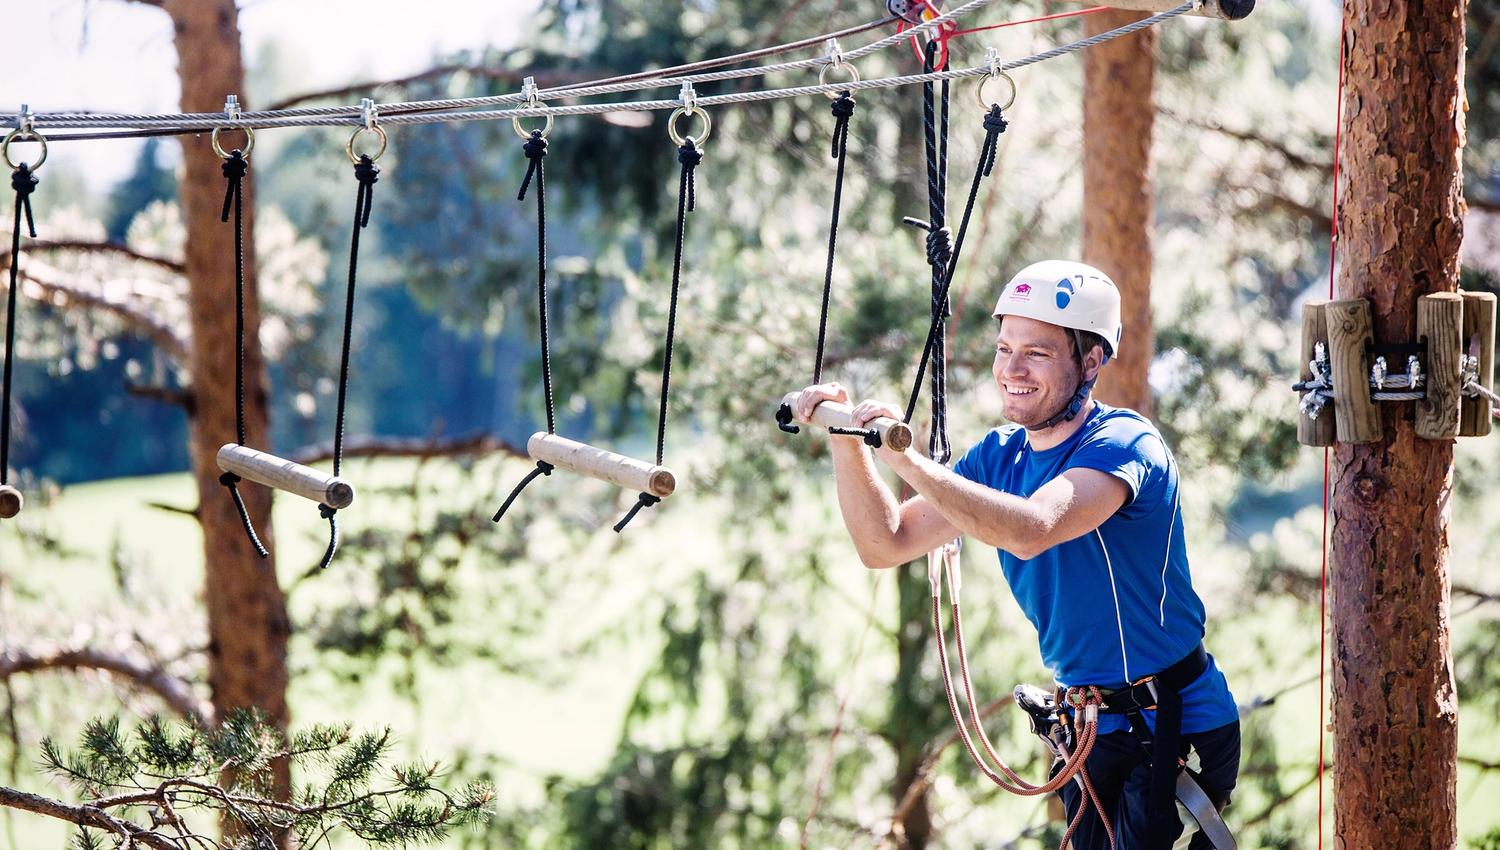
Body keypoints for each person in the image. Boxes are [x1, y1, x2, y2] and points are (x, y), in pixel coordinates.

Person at [791, 259, 1240, 849]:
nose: (1012, 369)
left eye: (1038, 353)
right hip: (1090, 728)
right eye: (1005, 349)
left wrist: (907, 460)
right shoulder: (998, 459)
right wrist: (848, 440)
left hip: (1173, 724)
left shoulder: (1125, 443)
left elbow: (1032, 528)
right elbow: (886, 542)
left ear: (1091, 361)